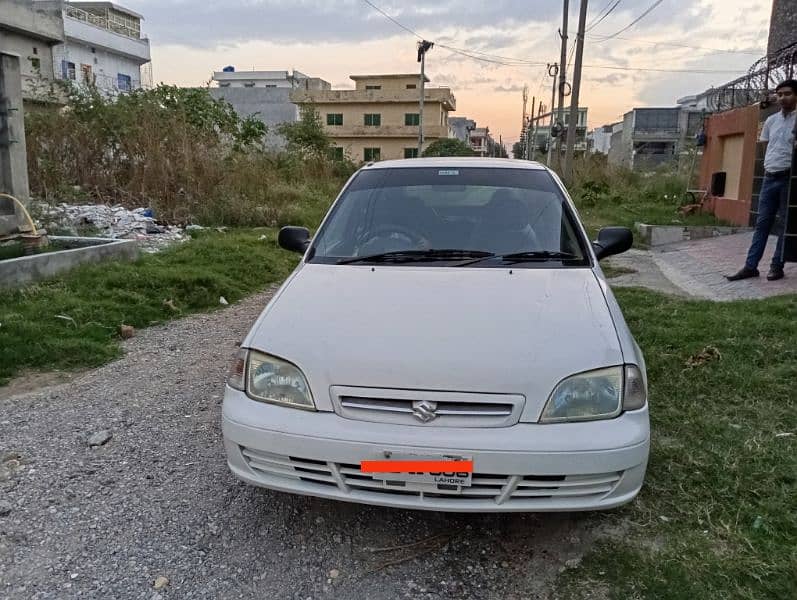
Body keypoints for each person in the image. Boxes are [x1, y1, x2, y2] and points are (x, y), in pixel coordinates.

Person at [727, 79, 796, 282]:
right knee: (762, 224)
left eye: (788, 94)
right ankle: (751, 266)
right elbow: (766, 146)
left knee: (784, 225)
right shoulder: (771, 121)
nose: (783, 98)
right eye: (780, 94)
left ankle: (777, 266)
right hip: (769, 177)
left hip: (789, 178)